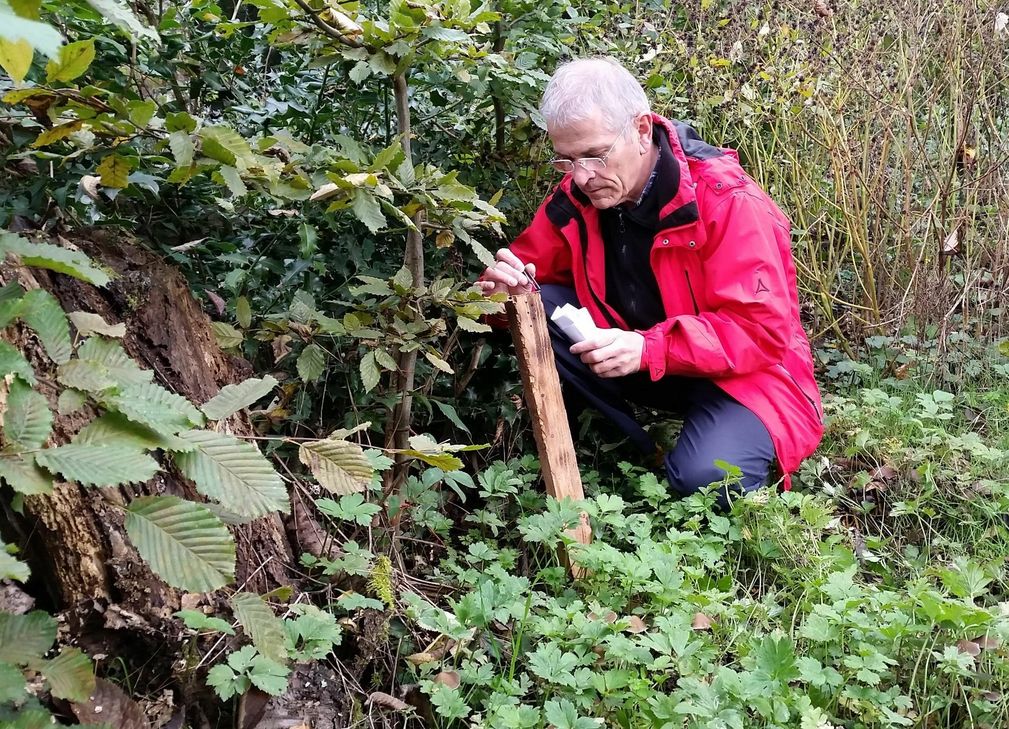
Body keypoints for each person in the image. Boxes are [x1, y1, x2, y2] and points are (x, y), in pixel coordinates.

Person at [478, 56, 823, 500]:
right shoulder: (579, 198)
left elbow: (761, 332)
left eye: (595, 155)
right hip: (644, 360)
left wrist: (648, 347)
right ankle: (637, 447)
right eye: (566, 160)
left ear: (642, 131)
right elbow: (526, 274)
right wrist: (499, 294)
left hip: (748, 376)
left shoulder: (727, 201)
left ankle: (736, 451)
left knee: (708, 479)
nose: (582, 176)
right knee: (537, 301)